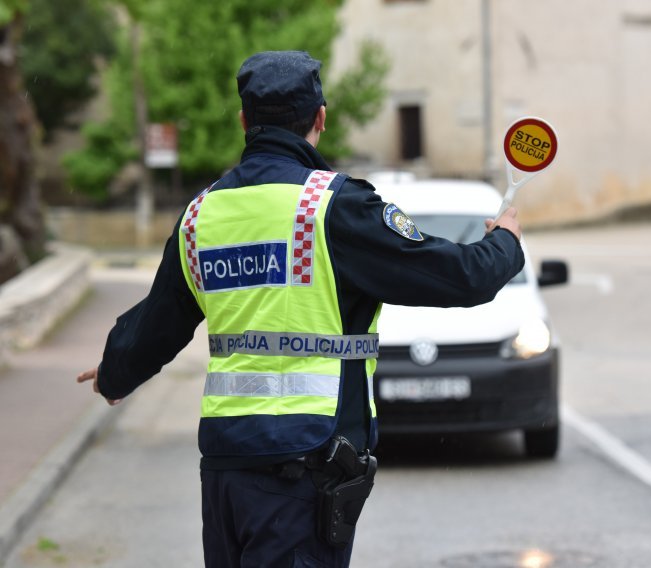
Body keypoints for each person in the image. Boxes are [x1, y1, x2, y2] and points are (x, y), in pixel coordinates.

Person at [77, 50, 524, 568]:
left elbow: (162, 316)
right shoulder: (332, 207)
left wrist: (115, 372)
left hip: (224, 468)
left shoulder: (201, 214)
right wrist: (505, 243)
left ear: (244, 121)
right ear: (321, 117)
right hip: (305, 465)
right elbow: (459, 276)